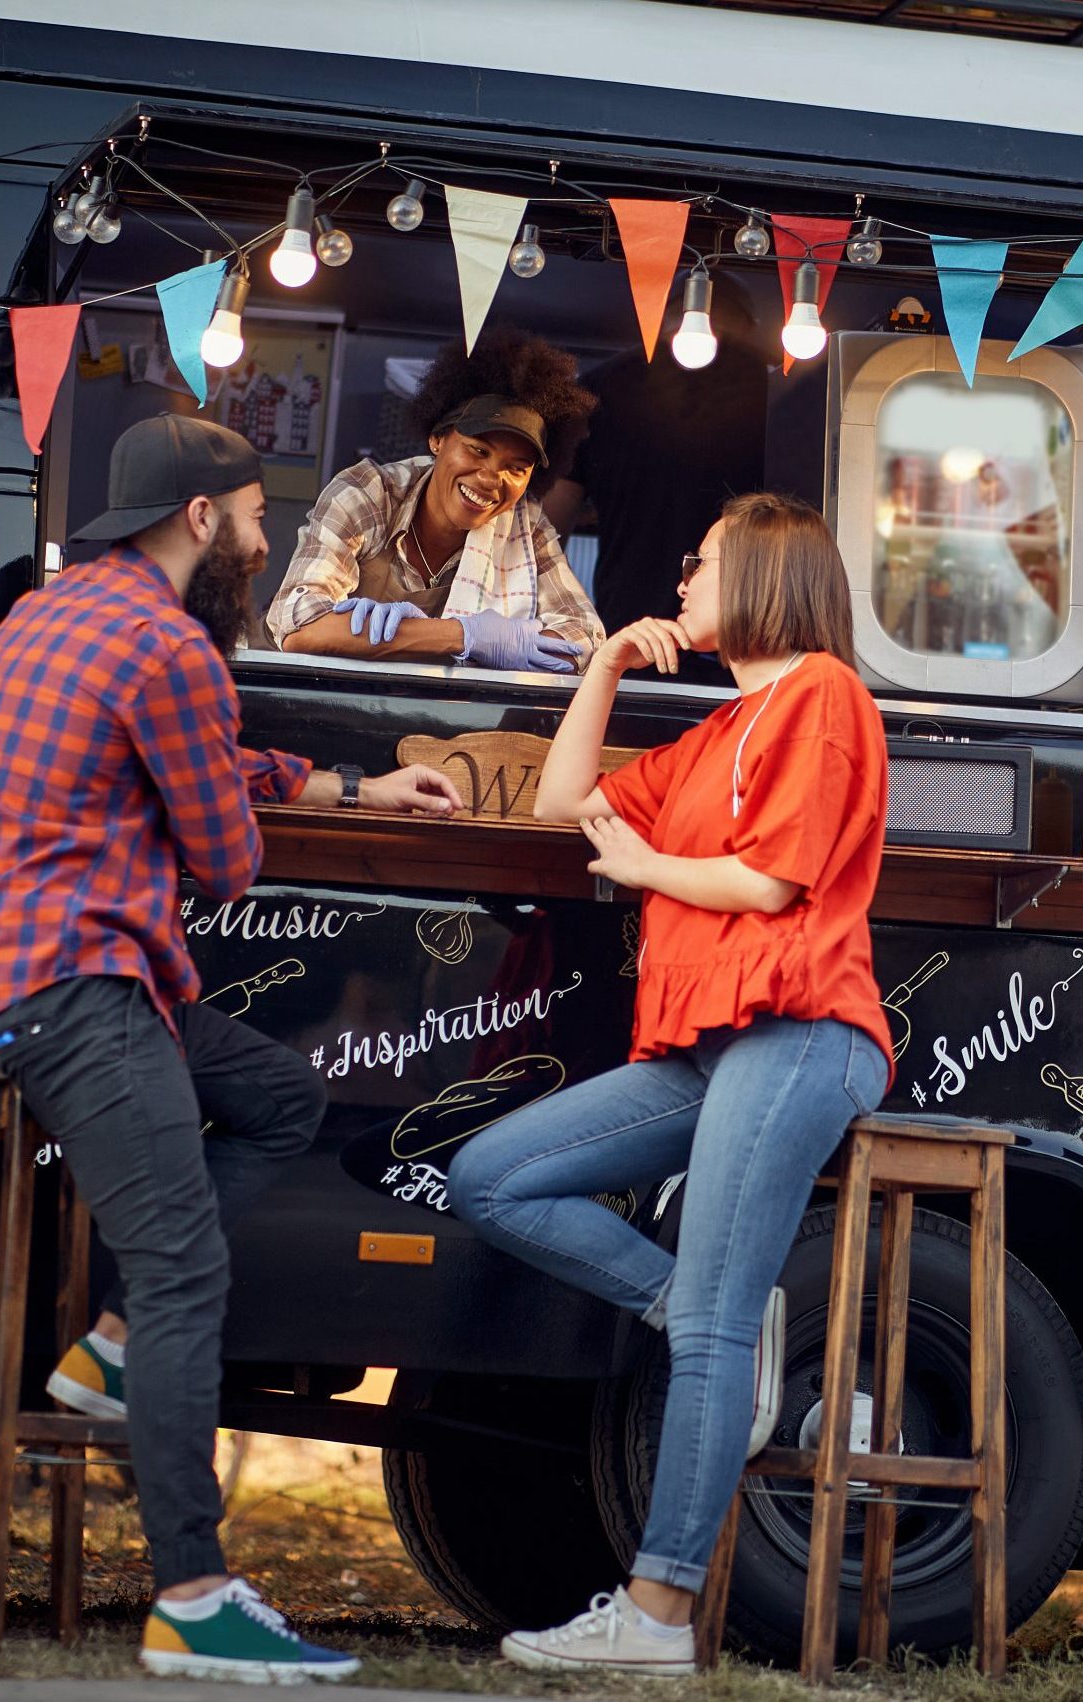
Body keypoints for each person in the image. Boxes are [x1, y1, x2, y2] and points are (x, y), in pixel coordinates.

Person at [0, 414, 460, 1682]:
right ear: (201, 517)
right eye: (258, 514)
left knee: (277, 1092)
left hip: (14, 977)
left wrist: (352, 786)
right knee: (184, 1274)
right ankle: (190, 1595)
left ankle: (115, 1346)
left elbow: (200, 761)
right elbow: (223, 860)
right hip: (81, 983)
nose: (267, 539)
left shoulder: (48, 615)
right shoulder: (173, 648)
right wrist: (249, 799)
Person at [445, 493, 894, 1676]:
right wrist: (599, 664)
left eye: (701, 561)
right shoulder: (718, 726)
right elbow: (562, 803)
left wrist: (647, 866)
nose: (681, 577)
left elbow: (771, 882)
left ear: (765, 574)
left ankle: (654, 1615)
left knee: (709, 1324)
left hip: (799, 1028)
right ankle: (703, 1314)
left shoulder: (822, 696)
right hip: (708, 1043)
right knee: (492, 1175)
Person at [264, 327, 605, 673]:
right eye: (478, 450)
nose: (491, 480)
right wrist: (464, 636)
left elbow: (584, 639)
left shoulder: (525, 526)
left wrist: (383, 637)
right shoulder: (369, 493)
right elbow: (297, 625)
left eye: (516, 468)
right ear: (437, 439)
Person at [543, 271, 767, 659]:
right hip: (744, 641)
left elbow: (546, 534)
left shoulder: (597, 389)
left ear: (661, 315)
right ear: (749, 325)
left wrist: (559, 629)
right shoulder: (778, 392)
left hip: (630, 632)